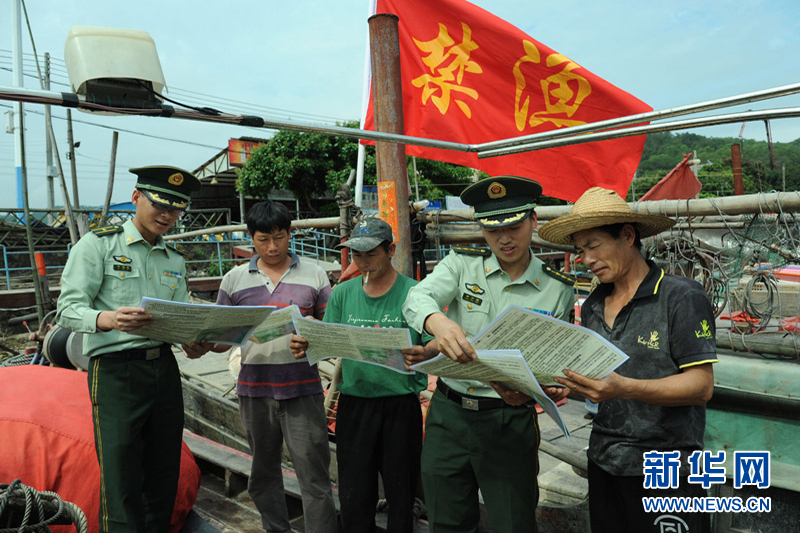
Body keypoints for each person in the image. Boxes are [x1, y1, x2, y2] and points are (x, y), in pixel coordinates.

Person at [538, 187, 717, 533]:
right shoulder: (592, 304)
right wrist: (562, 387)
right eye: (580, 250)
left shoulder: (680, 296)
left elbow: (701, 386)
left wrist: (623, 387)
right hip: (604, 461)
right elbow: (597, 383)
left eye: (593, 246)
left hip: (668, 467)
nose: (586, 259)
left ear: (627, 235)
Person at [401, 175, 575, 533]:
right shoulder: (462, 264)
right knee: (447, 521)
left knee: (514, 522)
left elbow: (554, 358)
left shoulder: (557, 289)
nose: (504, 238)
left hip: (509, 420)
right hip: (449, 414)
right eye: (493, 229)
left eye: (513, 226)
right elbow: (417, 298)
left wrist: (546, 387)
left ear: (533, 221)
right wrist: (440, 324)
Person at [56, 165, 204, 533]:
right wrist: (108, 318)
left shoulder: (175, 258)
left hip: (165, 369)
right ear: (136, 198)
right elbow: (67, 308)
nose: (168, 215)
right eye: (160, 205)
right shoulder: (98, 245)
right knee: (121, 478)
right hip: (116, 371)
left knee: (163, 474)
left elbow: (183, 313)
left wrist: (198, 340)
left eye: (176, 209)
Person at [290, 217, 437, 533]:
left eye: (370, 253)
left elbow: (435, 343)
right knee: (355, 496)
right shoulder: (342, 294)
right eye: (356, 255)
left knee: (402, 496)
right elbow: (327, 342)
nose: (363, 262)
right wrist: (307, 344)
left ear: (391, 250)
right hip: (355, 405)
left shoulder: (415, 293)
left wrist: (424, 352)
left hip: (401, 406)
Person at [211, 200, 337, 533]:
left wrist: (312, 338)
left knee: (314, 477)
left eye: (279, 237)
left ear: (290, 234)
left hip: (303, 390)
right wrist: (199, 340)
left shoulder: (315, 274)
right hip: (254, 392)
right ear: (250, 237)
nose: (272, 247)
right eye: (263, 239)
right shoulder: (234, 280)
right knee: (264, 475)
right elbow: (222, 338)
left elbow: (330, 332)